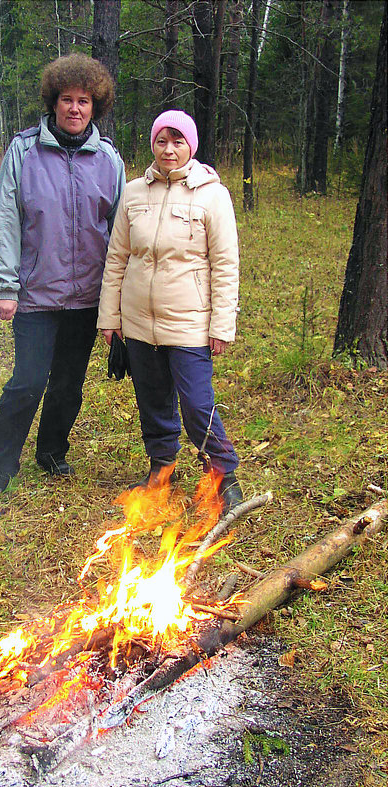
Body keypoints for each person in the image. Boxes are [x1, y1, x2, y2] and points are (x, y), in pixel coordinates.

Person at [0, 53, 125, 497]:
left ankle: (51, 452)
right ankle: (0, 467)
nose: (75, 108)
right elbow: (6, 220)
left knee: (68, 384)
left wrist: (119, 302)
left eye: (84, 101)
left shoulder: (109, 161)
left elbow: (122, 233)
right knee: (27, 380)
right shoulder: (24, 151)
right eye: (67, 99)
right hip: (36, 297)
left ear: (95, 106)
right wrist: (5, 286)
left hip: (87, 299)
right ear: (53, 102)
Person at [97, 109, 243, 514]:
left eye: (178, 141)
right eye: (162, 140)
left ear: (191, 147)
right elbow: (117, 258)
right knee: (152, 399)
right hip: (139, 323)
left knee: (197, 403)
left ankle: (222, 474)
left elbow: (226, 264)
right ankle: (162, 466)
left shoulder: (213, 195)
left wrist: (222, 325)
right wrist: (110, 318)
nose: (169, 149)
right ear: (152, 145)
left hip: (190, 323)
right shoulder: (133, 192)